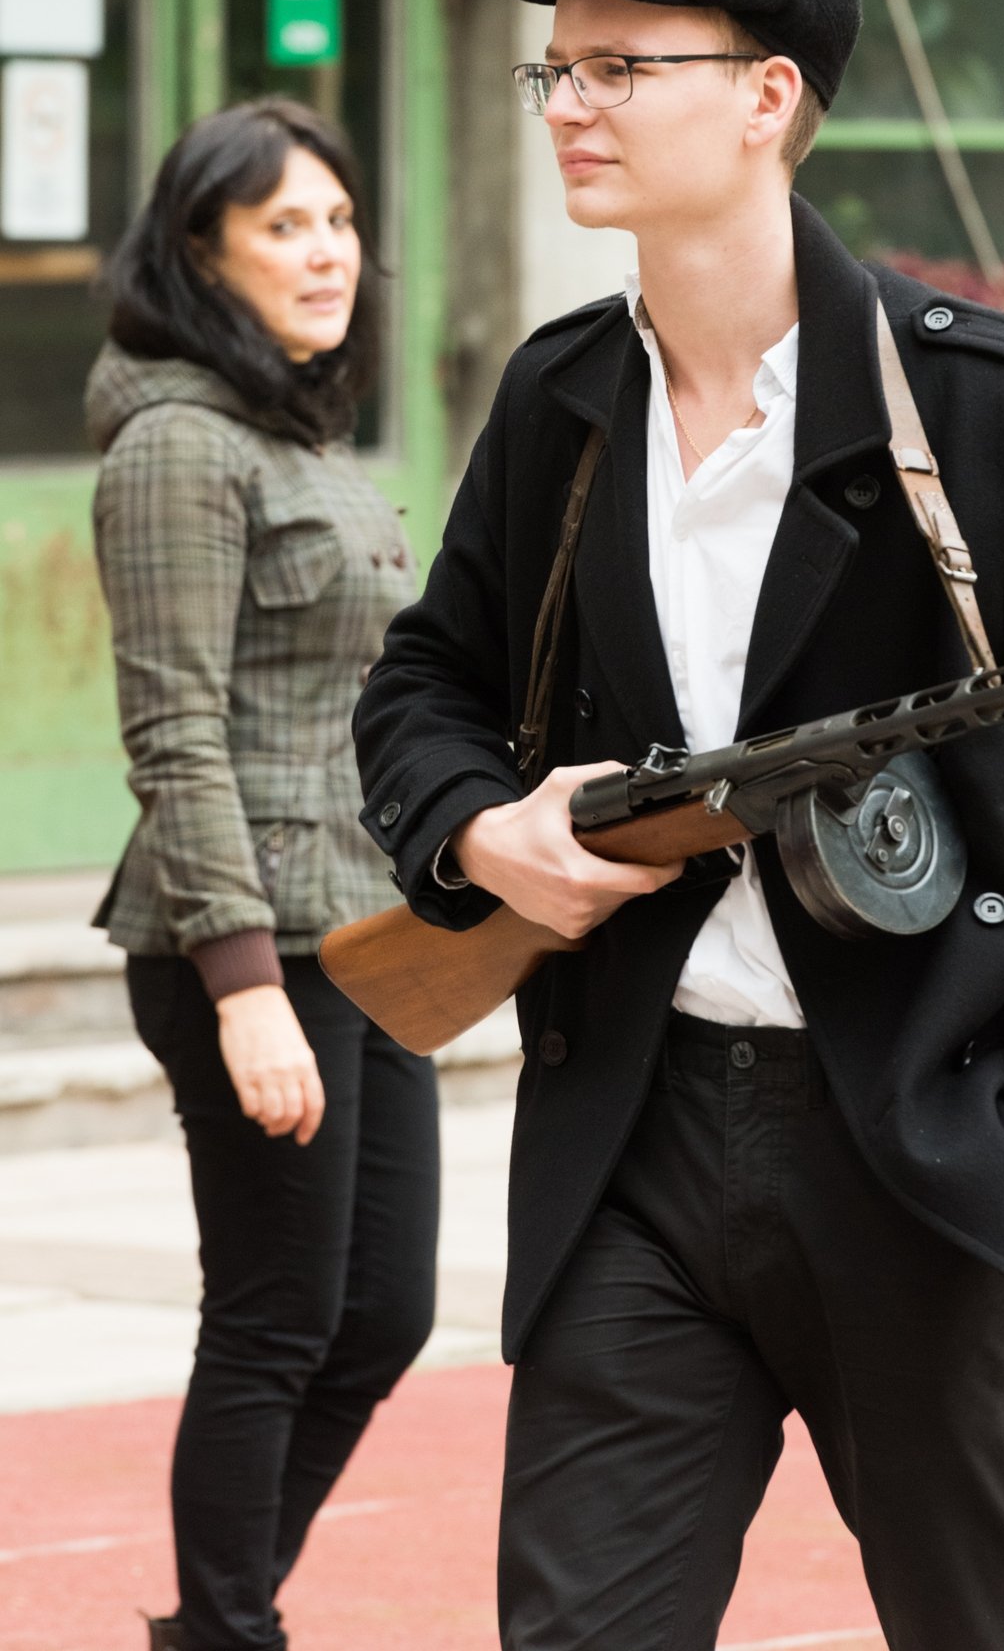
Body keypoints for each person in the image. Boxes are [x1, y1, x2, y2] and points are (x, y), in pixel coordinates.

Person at [353, 0, 1004, 1651]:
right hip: (633, 1136)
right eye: (554, 70)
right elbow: (427, 680)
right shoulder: (561, 397)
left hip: (918, 1128)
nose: (568, 104)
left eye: (619, 68)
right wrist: (479, 836)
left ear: (765, 97)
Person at [90, 98, 439, 1651]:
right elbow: (174, 730)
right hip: (246, 943)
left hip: (363, 934)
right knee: (276, 1317)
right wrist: (241, 989)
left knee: (382, 1314)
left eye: (340, 221)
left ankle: (212, 1621)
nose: (327, 253)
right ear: (200, 252)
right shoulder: (177, 446)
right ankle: (229, 1632)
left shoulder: (296, 435)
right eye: (285, 224)